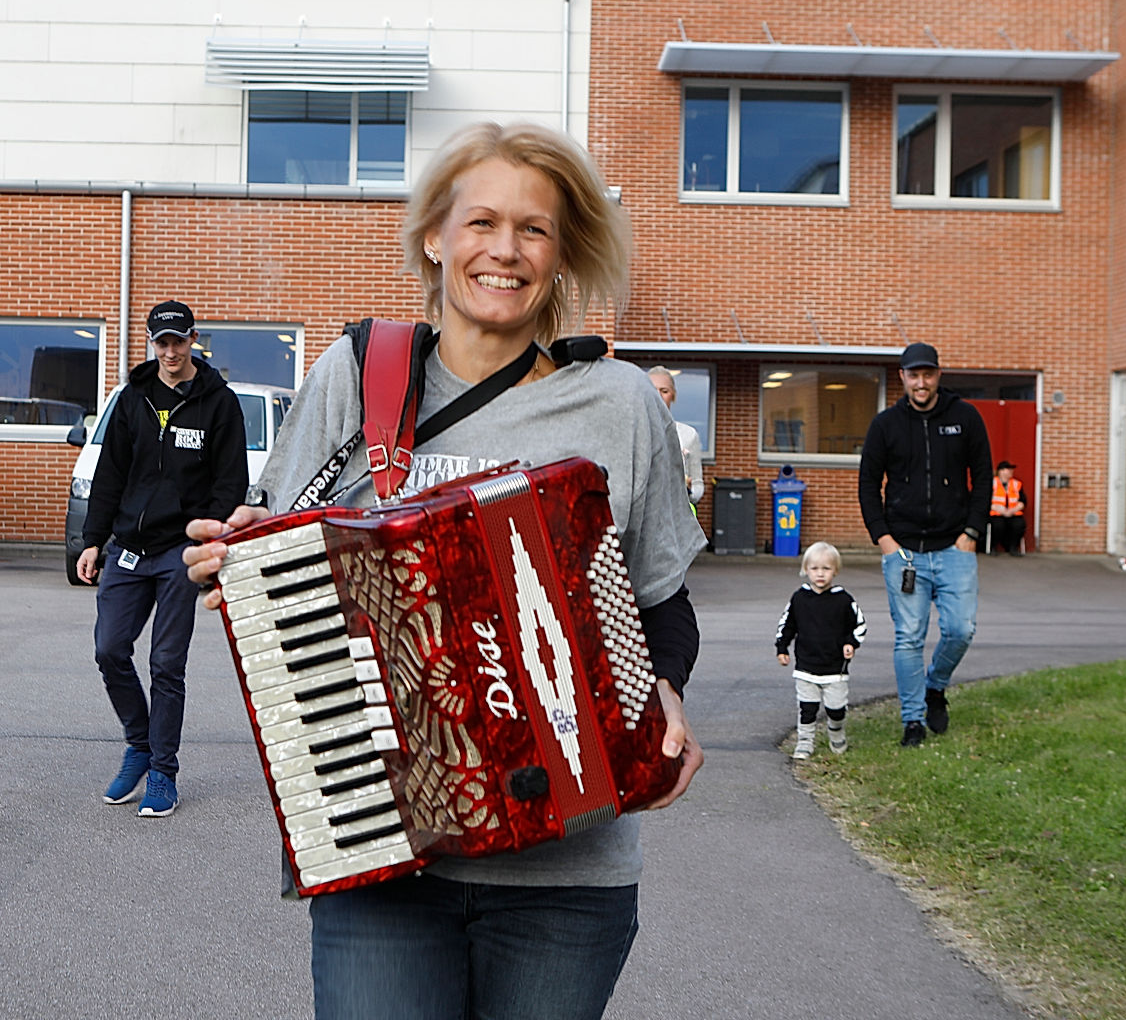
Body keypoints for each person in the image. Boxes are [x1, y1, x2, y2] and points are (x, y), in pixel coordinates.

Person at [183, 121, 706, 1020]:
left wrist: (665, 690)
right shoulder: (358, 375)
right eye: (482, 223)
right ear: (435, 236)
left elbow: (663, 602)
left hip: (567, 877)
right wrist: (240, 557)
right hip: (381, 850)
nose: (505, 250)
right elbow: (278, 545)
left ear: (560, 254)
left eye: (534, 229)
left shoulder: (618, 403)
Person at [78, 299, 248, 817]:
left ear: (193, 339)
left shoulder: (219, 403)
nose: (170, 352)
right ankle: (140, 745)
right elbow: (110, 473)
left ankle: (163, 773)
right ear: (152, 343)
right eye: (162, 343)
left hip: (180, 551)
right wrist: (93, 539)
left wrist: (208, 544)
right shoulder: (134, 398)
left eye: (178, 342)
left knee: (167, 664)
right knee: (109, 649)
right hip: (129, 548)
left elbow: (230, 483)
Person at [857, 341, 992, 747]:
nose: (921, 382)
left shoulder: (965, 417)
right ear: (903, 377)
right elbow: (868, 485)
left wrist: (971, 533)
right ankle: (913, 720)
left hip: (955, 548)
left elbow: (983, 477)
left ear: (938, 375)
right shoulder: (886, 425)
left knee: (961, 630)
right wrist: (884, 539)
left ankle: (936, 685)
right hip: (904, 552)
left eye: (927, 374)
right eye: (913, 375)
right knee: (909, 637)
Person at [774, 541, 867, 760]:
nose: (820, 574)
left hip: (835, 668)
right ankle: (805, 742)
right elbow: (787, 625)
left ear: (835, 571)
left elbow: (859, 625)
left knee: (836, 709)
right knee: (807, 708)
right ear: (806, 570)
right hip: (806, 667)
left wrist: (851, 643)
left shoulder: (843, 599)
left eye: (826, 568)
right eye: (814, 568)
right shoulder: (799, 598)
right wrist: (782, 647)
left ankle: (836, 732)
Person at [647, 365, 705, 504]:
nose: (658, 396)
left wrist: (688, 492)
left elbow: (697, 485)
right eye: (653, 390)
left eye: (664, 391)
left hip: (675, 513)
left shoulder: (688, 435)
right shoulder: (632, 433)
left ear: (673, 395)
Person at [989, 459, 1027, 556]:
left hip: (1013, 513)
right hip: (996, 513)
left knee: (1019, 525)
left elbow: (1023, 501)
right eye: (1008, 469)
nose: (1011, 471)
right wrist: (1000, 510)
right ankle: (993, 547)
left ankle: (1013, 548)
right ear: (1000, 471)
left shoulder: (1017, 484)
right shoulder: (992, 483)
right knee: (998, 525)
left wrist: (1012, 510)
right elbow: (986, 501)